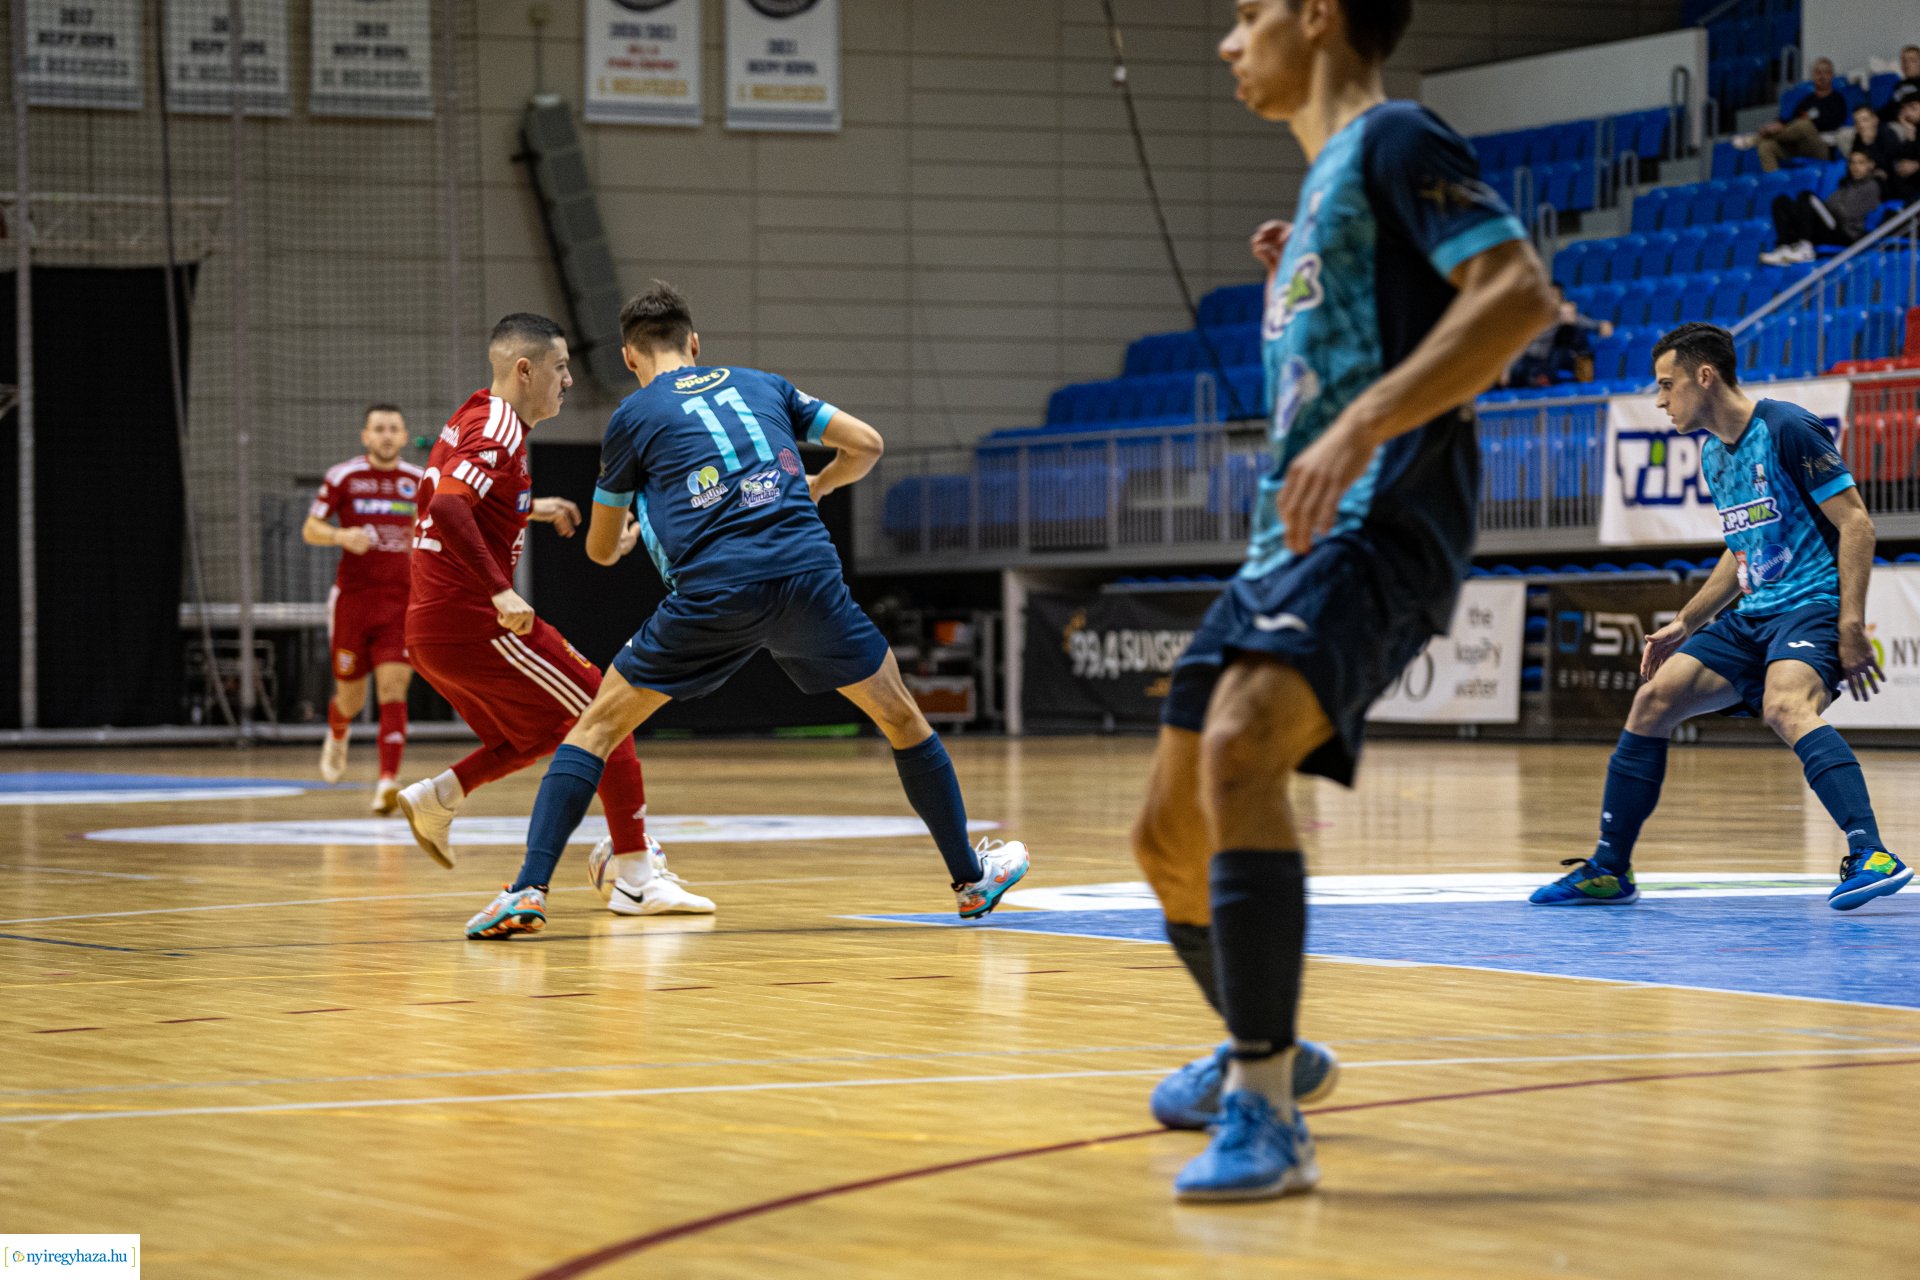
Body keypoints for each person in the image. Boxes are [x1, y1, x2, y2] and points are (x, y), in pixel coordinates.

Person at [1130, 0, 1554, 1203]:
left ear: (1318, 16)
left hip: (1383, 519)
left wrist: (1369, 417)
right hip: (1283, 544)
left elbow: (1519, 297)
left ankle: (1265, 1108)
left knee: (1239, 744)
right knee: (1164, 841)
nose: (1226, 40)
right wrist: (1304, 278)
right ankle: (1266, 1038)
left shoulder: (1398, 136)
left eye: (1247, 12)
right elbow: (1368, 329)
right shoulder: (1327, 190)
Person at [475, 281, 1029, 942]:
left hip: (714, 591)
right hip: (806, 579)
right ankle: (970, 882)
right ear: (697, 344)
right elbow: (868, 445)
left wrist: (629, 533)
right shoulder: (766, 385)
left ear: (629, 359)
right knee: (902, 718)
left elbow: (597, 550)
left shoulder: (633, 418)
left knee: (594, 732)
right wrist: (820, 483)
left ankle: (528, 890)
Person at [1532, 323, 1908, 914]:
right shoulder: (1713, 454)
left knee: (1786, 706)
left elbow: (1857, 523)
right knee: (1652, 701)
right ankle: (1609, 868)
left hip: (1809, 606)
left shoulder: (1786, 427)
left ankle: (1872, 852)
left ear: (1703, 377)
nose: (1659, 401)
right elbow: (1742, 554)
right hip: (1752, 617)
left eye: (1665, 385)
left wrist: (1852, 623)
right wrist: (1687, 620)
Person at [396, 312, 713, 935]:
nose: (568, 380)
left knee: (544, 736)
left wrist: (524, 509)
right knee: (607, 710)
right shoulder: (500, 425)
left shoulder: (472, 414)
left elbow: (450, 499)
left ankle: (440, 797)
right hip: (472, 619)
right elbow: (448, 507)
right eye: (561, 368)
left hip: (430, 627)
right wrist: (499, 591)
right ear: (525, 370)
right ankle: (635, 877)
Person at [302, 404, 424, 812]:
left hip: (400, 603)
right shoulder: (344, 476)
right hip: (353, 602)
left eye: (394, 428)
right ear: (365, 436)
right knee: (351, 700)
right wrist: (342, 536)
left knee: (393, 688)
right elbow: (310, 528)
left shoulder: (418, 481)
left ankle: (388, 781)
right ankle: (338, 732)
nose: (387, 435)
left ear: (404, 437)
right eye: (379, 429)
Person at [1760, 148, 1883, 264]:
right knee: (1781, 201)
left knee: (1807, 197)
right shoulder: (1845, 185)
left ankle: (1806, 247)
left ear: (1870, 165)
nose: (1855, 167)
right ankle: (1783, 247)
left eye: (1861, 163)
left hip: (1844, 234)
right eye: (1852, 163)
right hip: (1827, 227)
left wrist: (1826, 209)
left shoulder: (1872, 186)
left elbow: (1846, 214)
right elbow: (1830, 206)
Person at [1743, 58, 1848, 172]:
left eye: (1825, 72)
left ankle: (1757, 138)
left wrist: (1809, 123)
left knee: (1804, 125)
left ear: (1832, 75)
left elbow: (1833, 122)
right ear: (1813, 76)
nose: (1821, 76)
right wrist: (1780, 124)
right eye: (1818, 73)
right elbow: (1791, 121)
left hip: (1822, 147)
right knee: (1765, 146)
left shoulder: (1837, 100)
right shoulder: (1807, 101)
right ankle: (1777, 185)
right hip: (1800, 145)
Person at [1506, 284, 1613, 387]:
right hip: (1531, 362)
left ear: (1561, 300)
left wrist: (1602, 325)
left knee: (1573, 335)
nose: (1550, 300)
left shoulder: (1568, 317)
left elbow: (1597, 325)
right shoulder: (1535, 319)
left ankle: (1583, 382)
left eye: (1553, 296)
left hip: (1553, 361)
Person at [1877, 44, 1919, 124]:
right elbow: (1889, 108)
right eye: (1904, 60)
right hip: (1895, 122)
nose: (1907, 64)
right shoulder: (1899, 85)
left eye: (1912, 60)